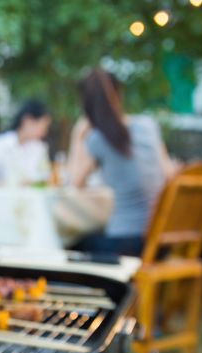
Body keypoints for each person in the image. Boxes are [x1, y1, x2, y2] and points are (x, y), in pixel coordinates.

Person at [66, 69, 173, 256]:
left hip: (125, 243)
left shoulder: (97, 139)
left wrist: (77, 135)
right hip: (159, 242)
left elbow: (74, 183)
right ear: (119, 94)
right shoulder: (148, 125)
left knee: (69, 242)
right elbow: (169, 174)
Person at [0, 100, 52, 186]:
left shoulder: (39, 147)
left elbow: (45, 179)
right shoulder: (0, 144)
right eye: (43, 126)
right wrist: (10, 184)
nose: (44, 132)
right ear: (27, 120)